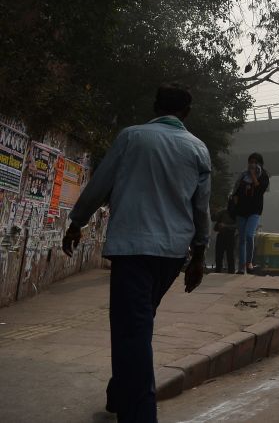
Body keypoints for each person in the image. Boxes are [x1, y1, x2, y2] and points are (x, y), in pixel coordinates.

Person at [62, 84, 210, 422]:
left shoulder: (132, 137)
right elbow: (201, 208)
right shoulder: (198, 149)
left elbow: (101, 183)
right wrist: (199, 255)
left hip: (132, 249)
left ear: (155, 106)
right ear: (186, 114)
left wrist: (77, 222)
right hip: (172, 255)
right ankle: (119, 393)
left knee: (133, 328)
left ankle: (140, 415)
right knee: (137, 325)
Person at [232, 152, 269, 274]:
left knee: (249, 235)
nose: (252, 164)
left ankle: (249, 262)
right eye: (250, 162)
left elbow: (259, 190)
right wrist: (235, 199)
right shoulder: (243, 176)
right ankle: (241, 267)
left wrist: (253, 175)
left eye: (255, 162)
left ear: (260, 163)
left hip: (254, 211)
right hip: (241, 211)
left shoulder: (263, 176)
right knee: (241, 239)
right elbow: (236, 190)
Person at [212, 196, 237, 273]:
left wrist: (225, 225)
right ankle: (218, 271)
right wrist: (215, 211)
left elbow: (237, 226)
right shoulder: (223, 212)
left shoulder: (237, 214)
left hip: (231, 236)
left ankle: (231, 272)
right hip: (221, 235)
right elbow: (213, 218)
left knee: (230, 256)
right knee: (219, 256)